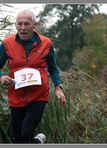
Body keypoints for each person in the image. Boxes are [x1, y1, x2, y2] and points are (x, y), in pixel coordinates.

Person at [0, 9, 66, 144]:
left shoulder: (46, 43)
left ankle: (35, 140)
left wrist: (58, 87)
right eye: (19, 24)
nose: (22, 28)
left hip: (38, 95)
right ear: (15, 25)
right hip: (16, 95)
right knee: (18, 140)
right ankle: (37, 142)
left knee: (25, 134)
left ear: (35, 25)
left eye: (27, 24)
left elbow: (53, 68)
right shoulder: (7, 43)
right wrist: (1, 77)